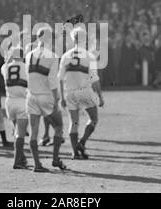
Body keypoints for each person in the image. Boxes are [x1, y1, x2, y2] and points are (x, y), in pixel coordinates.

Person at [58, 27, 104, 160]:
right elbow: (94, 81)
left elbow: (60, 78)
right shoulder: (89, 56)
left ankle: (74, 153)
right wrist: (100, 97)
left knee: (74, 122)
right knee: (93, 119)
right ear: (86, 39)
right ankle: (82, 142)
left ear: (73, 39)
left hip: (70, 92)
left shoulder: (66, 56)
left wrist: (62, 97)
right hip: (84, 91)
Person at [25, 27, 66, 172]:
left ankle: (37, 165)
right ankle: (55, 159)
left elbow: (27, 75)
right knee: (59, 126)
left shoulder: (29, 54)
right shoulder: (53, 56)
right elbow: (52, 81)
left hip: (31, 96)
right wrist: (57, 99)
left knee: (34, 131)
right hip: (46, 96)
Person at [1, 47, 29, 169]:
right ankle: (17, 161)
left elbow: (5, 64)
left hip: (9, 102)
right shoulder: (26, 67)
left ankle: (21, 157)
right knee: (20, 133)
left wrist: (9, 58)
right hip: (22, 101)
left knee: (16, 132)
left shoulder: (5, 67)